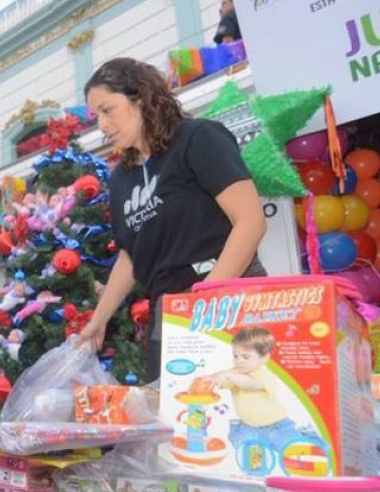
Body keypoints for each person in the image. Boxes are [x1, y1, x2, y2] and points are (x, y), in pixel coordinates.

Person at [78, 58, 266, 377]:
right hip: (169, 310)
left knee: (246, 400)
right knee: (172, 407)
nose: (102, 125)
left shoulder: (198, 137)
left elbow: (250, 221)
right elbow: (130, 256)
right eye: (96, 116)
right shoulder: (121, 178)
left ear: (141, 97)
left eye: (107, 110)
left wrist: (204, 298)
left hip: (229, 294)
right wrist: (99, 319)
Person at [213, 327, 297, 453]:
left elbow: (250, 384)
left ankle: (307, 435)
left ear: (264, 358)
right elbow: (218, 380)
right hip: (250, 427)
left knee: (290, 449)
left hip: (277, 426)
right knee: (247, 451)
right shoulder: (234, 373)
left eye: (245, 357)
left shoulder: (265, 375)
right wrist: (211, 379)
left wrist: (228, 375)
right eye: (235, 356)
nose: (238, 361)